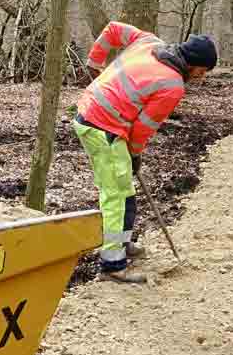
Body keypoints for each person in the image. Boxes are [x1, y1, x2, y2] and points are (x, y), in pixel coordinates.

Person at [73, 23, 217, 285]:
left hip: (95, 113)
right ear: (195, 64)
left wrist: (94, 63)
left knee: (126, 187)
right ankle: (112, 265)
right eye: (203, 71)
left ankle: (123, 243)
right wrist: (134, 154)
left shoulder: (149, 42)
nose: (202, 76)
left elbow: (114, 29)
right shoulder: (172, 86)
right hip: (102, 127)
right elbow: (142, 129)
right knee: (115, 194)